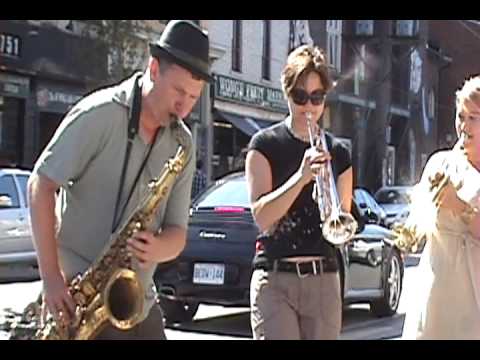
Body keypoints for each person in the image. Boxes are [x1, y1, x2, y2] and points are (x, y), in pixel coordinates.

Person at [27, 20, 212, 340]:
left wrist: (157, 248)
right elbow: (40, 187)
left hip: (137, 299)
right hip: (79, 297)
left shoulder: (182, 143)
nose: (184, 107)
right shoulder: (99, 114)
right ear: (154, 69)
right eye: (179, 92)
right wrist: (52, 280)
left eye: (194, 98)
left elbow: (178, 235)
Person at [245, 45, 353, 340]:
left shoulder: (339, 152)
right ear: (287, 93)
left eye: (317, 97)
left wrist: (332, 205)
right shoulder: (264, 145)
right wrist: (301, 177)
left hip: (324, 278)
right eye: (300, 97)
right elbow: (263, 218)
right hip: (275, 278)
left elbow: (342, 224)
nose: (309, 106)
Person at [402, 75, 480, 340]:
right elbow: (419, 218)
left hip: (474, 292)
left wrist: (458, 206)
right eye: (461, 116)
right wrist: (409, 229)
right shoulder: (440, 163)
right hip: (438, 287)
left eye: (474, 118)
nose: (464, 126)